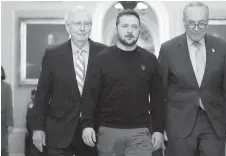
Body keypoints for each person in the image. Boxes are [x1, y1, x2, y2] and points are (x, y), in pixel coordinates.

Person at [158, 2, 226, 156]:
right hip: (179, 123)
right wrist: (158, 128)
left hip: (214, 123)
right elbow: (159, 92)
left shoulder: (221, 47)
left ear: (208, 21)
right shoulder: (168, 49)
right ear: (184, 21)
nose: (196, 28)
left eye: (201, 23)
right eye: (191, 23)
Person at [81, 9, 165, 156]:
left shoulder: (150, 60)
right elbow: (89, 96)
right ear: (116, 29)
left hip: (140, 132)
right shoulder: (100, 60)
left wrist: (158, 129)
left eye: (134, 27)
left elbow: (158, 99)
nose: (130, 31)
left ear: (139, 29)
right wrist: (87, 125)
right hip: (107, 132)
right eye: (125, 26)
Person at [31, 6, 107, 156]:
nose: (82, 28)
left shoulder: (104, 53)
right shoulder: (53, 55)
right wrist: (37, 128)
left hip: (94, 131)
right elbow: (42, 95)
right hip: (59, 131)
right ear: (68, 26)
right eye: (77, 24)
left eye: (87, 24)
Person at [25, 89, 47, 156]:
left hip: (35, 130)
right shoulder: (32, 105)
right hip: (36, 130)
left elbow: (29, 118)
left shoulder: (33, 105)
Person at [1, 66, 14, 156]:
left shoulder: (6, 87)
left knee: (3, 147)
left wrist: (10, 124)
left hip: (2, 121)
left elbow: (9, 106)